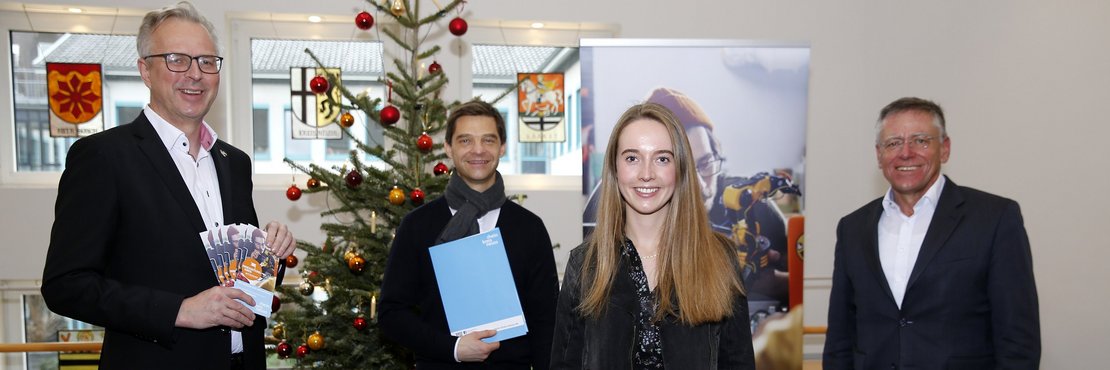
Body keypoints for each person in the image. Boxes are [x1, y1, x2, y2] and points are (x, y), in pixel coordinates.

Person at [40, 2, 296, 369]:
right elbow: (65, 286)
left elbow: (241, 285)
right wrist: (180, 310)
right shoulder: (103, 157)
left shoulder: (234, 163)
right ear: (145, 69)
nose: (195, 74)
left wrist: (271, 255)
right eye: (177, 59)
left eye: (207, 61)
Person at [823, 97, 1040, 369]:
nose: (906, 152)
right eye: (893, 143)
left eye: (921, 140)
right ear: (879, 155)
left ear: (945, 149)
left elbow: (1018, 341)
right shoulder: (852, 228)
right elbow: (840, 339)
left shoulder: (994, 219)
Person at [551, 102, 755, 369]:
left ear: (680, 168)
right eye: (632, 158)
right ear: (614, 168)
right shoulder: (585, 265)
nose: (646, 174)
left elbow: (739, 363)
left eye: (662, 159)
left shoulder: (719, 259)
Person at [378, 100, 558, 369]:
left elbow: (548, 321)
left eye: (488, 140)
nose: (478, 150)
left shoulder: (529, 228)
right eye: (465, 141)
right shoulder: (417, 226)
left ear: (502, 147)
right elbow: (392, 314)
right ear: (448, 148)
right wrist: (454, 348)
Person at [584, 87, 800, 304]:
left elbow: (797, 277)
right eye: (682, 166)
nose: (697, 184)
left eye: (705, 164)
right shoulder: (612, 200)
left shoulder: (750, 203)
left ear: (717, 155)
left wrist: (766, 283)